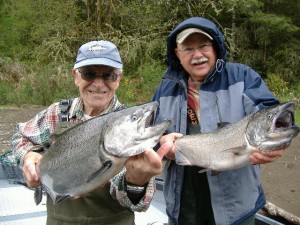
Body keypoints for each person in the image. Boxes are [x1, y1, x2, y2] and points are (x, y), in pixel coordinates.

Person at [10, 40, 172, 225]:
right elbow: (20, 138)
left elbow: (139, 205)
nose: (98, 83)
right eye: (89, 74)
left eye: (108, 75)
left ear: (119, 78)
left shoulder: (130, 134)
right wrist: (28, 157)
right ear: (76, 76)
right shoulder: (56, 113)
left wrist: (136, 183)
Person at [152, 17, 285, 225]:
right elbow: (149, 135)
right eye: (188, 49)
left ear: (214, 47)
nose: (197, 55)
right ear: (178, 54)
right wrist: (161, 143)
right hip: (182, 205)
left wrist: (275, 139)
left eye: (203, 46)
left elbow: (268, 112)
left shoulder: (242, 76)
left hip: (236, 208)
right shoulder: (165, 89)